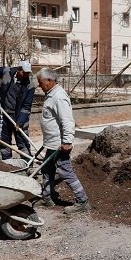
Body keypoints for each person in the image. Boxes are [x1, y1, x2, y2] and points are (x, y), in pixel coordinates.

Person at [35, 67, 91, 214]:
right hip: (52, 143)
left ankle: (83, 201)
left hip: (59, 144)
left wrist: (67, 141)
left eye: (40, 82)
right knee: (47, 170)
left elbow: (67, 121)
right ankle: (47, 198)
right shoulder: (51, 94)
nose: (39, 85)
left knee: (65, 171)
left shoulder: (59, 96)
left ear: (49, 80)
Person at [0, 61, 35, 158]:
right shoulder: (7, 72)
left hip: (19, 116)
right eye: (24, 73)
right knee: (4, 141)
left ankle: (27, 162)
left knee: (23, 141)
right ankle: (8, 162)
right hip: (4, 113)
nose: (26, 75)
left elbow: (26, 106)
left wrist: (20, 122)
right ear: (18, 69)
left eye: (28, 73)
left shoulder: (30, 85)